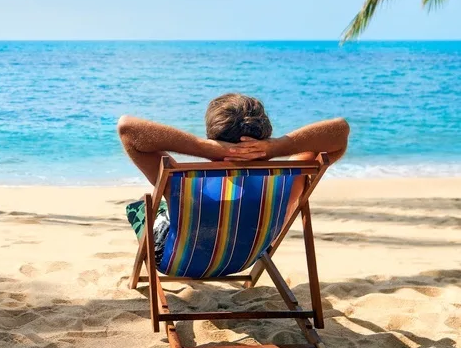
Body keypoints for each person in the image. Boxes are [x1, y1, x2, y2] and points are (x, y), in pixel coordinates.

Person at [117, 93, 348, 256]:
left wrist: (203, 148)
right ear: (266, 134)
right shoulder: (290, 178)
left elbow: (127, 128)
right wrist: (275, 148)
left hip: (181, 259)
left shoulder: (183, 184)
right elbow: (339, 131)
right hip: (249, 255)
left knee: (142, 206)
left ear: (212, 136)